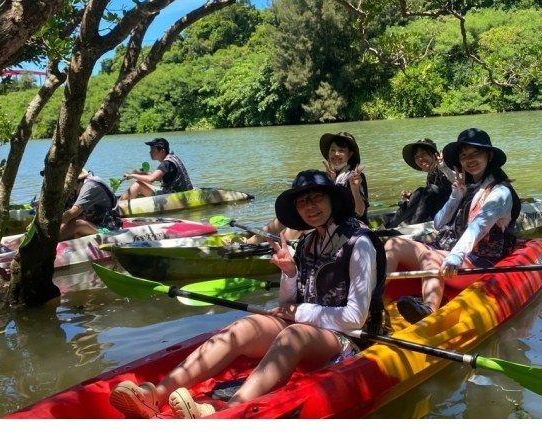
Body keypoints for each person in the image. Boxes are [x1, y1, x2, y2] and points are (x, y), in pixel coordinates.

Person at [108, 170, 387, 419]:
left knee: (292, 334)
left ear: (331, 200)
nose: (309, 207)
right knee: (243, 328)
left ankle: (230, 411)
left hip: (347, 339)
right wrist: (289, 273)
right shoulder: (306, 243)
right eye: (302, 202)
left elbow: (354, 318)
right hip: (307, 326)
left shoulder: (359, 243)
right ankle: (155, 395)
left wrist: (297, 313)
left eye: (316, 198)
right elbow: (287, 305)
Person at [384, 128, 521, 324]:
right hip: (448, 252)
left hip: (478, 263)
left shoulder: (500, 192)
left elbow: (479, 226)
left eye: (476, 153)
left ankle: (428, 310)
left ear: (489, 156)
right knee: (392, 244)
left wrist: (455, 256)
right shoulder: (467, 186)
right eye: (464, 155)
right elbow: (439, 223)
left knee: (430, 256)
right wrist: (456, 195)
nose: (469, 159)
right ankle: (375, 300)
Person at [247, 131, 369, 245]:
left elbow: (360, 211)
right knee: (289, 218)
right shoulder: (331, 175)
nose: (336, 154)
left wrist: (354, 188)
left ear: (350, 154)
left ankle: (259, 243)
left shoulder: (355, 176)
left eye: (341, 150)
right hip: (329, 221)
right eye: (333, 150)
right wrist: (330, 180)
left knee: (294, 227)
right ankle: (255, 241)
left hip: (349, 225)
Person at [384, 138, 457, 228]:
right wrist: (412, 196)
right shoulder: (431, 174)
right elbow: (430, 199)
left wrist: (444, 167)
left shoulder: (446, 168)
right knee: (420, 192)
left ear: (434, 155)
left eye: (423, 154)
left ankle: (413, 227)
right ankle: (388, 226)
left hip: (451, 212)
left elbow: (457, 187)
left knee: (428, 190)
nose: (420, 159)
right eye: (416, 157)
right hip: (438, 211)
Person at [119, 138, 192, 202]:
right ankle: (126, 201)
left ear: (162, 151)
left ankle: (118, 207)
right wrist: (139, 173)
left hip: (175, 197)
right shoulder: (172, 158)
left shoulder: (166, 163)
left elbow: (151, 179)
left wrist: (132, 175)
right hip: (181, 193)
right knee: (141, 181)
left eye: (153, 150)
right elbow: (156, 176)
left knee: (137, 185)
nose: (150, 152)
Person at [59, 169, 121, 241]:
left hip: (107, 227)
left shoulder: (90, 186)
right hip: (91, 223)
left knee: (77, 223)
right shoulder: (73, 189)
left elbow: (74, 212)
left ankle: (50, 244)